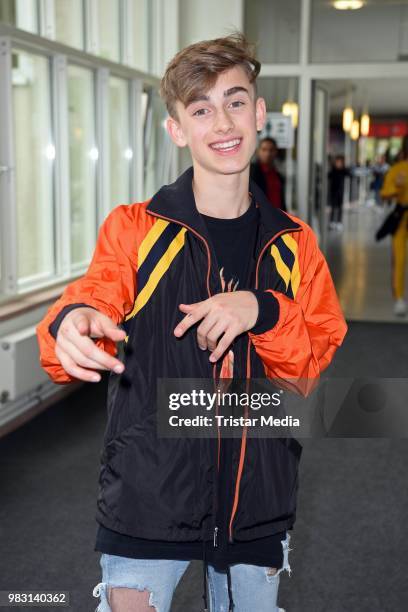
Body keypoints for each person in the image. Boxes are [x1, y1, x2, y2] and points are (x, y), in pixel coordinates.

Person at [36, 32, 347, 612]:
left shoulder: (296, 246)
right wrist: (72, 323)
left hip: (257, 500)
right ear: (178, 129)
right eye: (200, 109)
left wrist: (265, 309)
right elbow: (94, 295)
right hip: (148, 496)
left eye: (234, 101)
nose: (222, 122)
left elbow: (307, 372)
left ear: (258, 113)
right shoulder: (136, 228)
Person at [380, 135, 408, 317]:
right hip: (402, 217)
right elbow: (384, 194)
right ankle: (399, 298)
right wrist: (397, 188)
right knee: (399, 259)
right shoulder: (397, 170)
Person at [250, 137, 287, 211]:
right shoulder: (251, 172)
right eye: (264, 150)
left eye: (271, 150)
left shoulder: (278, 175)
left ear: (276, 152)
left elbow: (281, 199)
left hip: (277, 216)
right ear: (258, 151)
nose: (268, 153)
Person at [328, 154, 350, 231]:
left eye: (340, 162)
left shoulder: (343, 170)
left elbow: (349, 173)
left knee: (340, 207)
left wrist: (343, 168)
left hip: (340, 191)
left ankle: (339, 222)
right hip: (333, 191)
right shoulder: (333, 170)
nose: (338, 163)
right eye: (337, 162)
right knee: (333, 207)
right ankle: (332, 222)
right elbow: (329, 176)